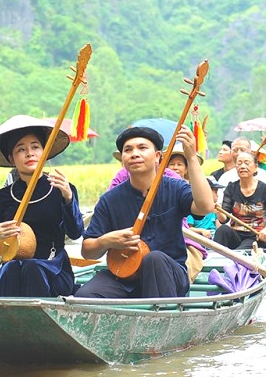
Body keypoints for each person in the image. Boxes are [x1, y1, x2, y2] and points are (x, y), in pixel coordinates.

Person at [75, 126, 214, 298]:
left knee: (154, 259)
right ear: (123, 159)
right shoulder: (109, 200)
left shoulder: (175, 188)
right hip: (125, 277)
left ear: (157, 157)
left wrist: (191, 157)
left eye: (142, 148)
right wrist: (106, 241)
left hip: (168, 276)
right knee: (86, 294)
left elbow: (205, 206)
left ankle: (161, 320)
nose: (134, 154)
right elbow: (87, 251)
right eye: (128, 150)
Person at [0, 115, 83, 297]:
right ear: (11, 158)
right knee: (11, 268)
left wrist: (68, 198)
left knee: (32, 268)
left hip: (54, 268)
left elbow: (75, 232)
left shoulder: (60, 188)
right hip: (14, 270)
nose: (30, 153)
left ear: (44, 151)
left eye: (35, 147)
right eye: (21, 149)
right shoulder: (2, 197)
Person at [214, 151, 266, 250]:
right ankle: (215, 259)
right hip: (236, 233)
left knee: (240, 253)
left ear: (255, 167)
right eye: (239, 163)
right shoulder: (231, 187)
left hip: (257, 236)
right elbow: (224, 219)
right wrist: (219, 211)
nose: (242, 166)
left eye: (246, 163)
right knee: (222, 230)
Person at [216, 137, 266, 202]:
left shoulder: (262, 175)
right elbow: (221, 203)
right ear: (231, 152)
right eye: (235, 150)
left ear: (250, 152)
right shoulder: (225, 178)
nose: (238, 153)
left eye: (242, 150)